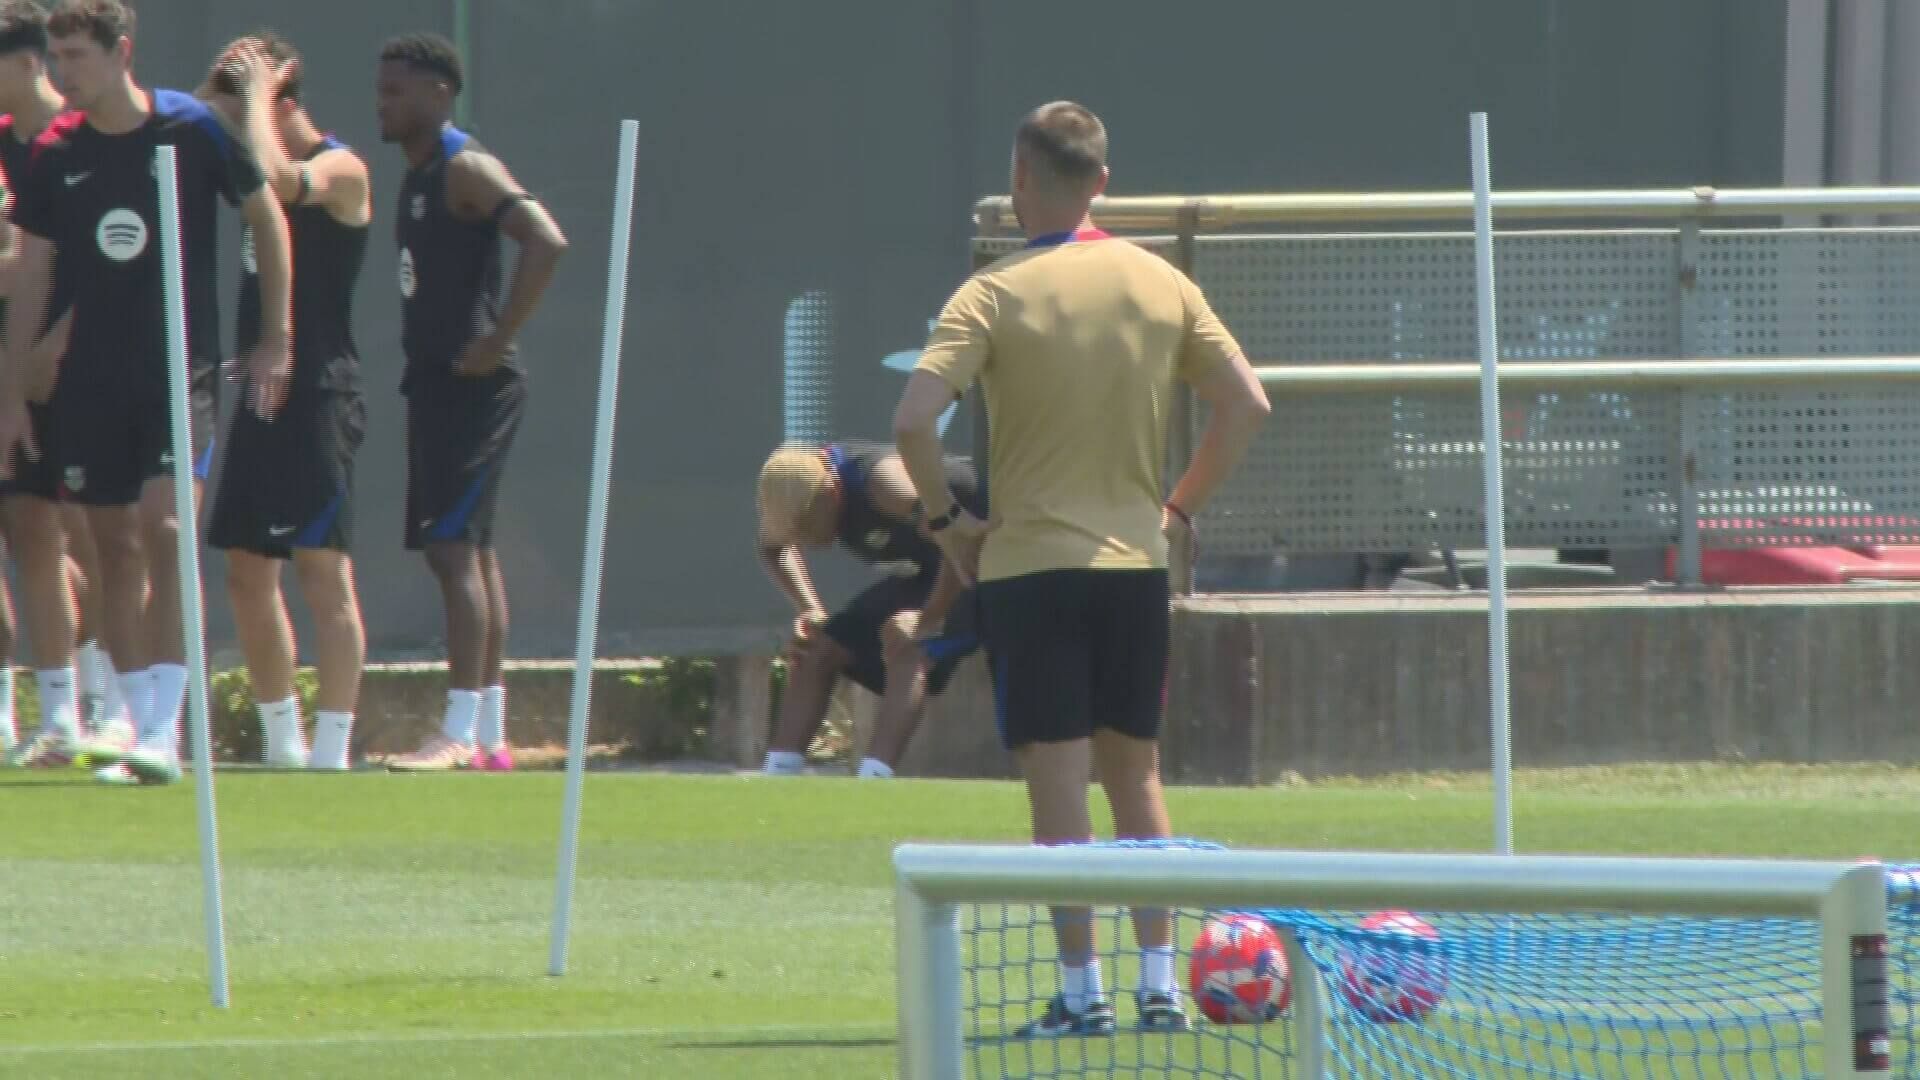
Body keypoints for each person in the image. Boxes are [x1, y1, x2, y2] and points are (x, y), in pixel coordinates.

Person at [893, 101, 1271, 1036]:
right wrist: (1177, 508)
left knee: (1057, 782)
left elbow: (911, 420)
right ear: (1104, 179)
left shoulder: (991, 291)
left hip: (1031, 571)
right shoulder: (1160, 280)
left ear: (1020, 180)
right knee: (1136, 776)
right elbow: (1247, 402)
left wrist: (947, 522)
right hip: (1135, 567)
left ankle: (1079, 995)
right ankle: (1159, 986)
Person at [0, 0, 294, 784]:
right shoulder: (56, 152)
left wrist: (276, 337)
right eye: (54, 55)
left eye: (77, 56)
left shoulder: (189, 128)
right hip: (88, 379)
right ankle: (133, 720)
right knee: (111, 549)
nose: (63, 72)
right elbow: (33, 272)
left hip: (178, 369)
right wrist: (10, 390)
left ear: (121, 52)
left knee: (168, 533)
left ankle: (165, 727)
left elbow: (266, 217)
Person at [375, 33, 567, 772]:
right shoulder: (417, 174)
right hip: (434, 382)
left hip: (474, 386)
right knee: (469, 554)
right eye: (381, 88)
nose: (382, 103)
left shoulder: (465, 165)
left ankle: (457, 731)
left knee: (455, 550)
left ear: (439, 93)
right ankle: (488, 736)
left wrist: (496, 339)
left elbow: (546, 240)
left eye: (397, 90)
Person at [200, 31, 368, 771]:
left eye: (245, 108)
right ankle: (282, 745)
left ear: (282, 101)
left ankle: (333, 748)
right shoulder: (240, 159)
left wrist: (258, 98)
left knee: (320, 566)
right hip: (257, 391)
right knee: (246, 565)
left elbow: (281, 175)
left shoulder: (342, 167)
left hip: (320, 392)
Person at [0, 0, 121, 767]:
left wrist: (50, 343)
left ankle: (97, 707)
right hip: (11, 362)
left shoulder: (69, 141)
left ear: (25, 62)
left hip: (68, 368)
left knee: (71, 535)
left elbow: (73, 259)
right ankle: (43, 718)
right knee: (27, 529)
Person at [755, 441, 980, 778]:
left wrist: (927, 618)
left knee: (908, 644)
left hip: (991, 564)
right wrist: (811, 609)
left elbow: (961, 540)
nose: (802, 538)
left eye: (805, 524)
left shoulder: (887, 486)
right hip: (933, 569)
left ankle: (874, 778)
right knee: (818, 648)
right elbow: (774, 548)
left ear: (831, 491)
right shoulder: (794, 493)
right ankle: (778, 774)